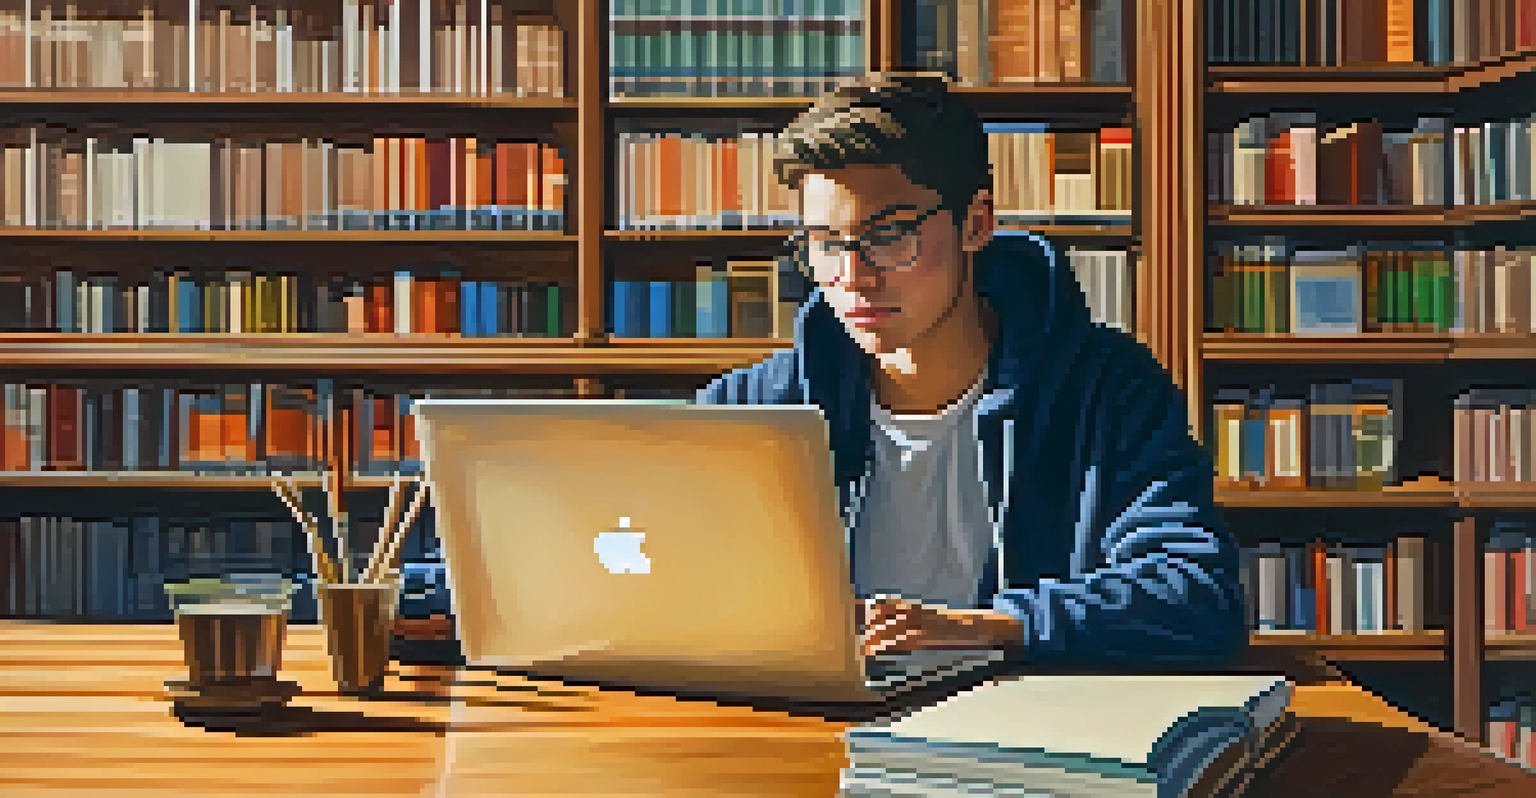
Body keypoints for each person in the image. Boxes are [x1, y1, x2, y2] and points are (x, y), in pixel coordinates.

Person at [696, 72, 1247, 668]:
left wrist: (992, 627)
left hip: (1026, 737)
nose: (852, 276)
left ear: (976, 223)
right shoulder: (751, 408)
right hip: (806, 733)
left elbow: (1197, 596)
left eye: (888, 236)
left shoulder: (1106, 392)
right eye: (827, 242)